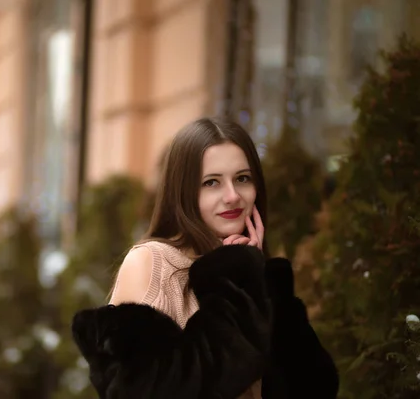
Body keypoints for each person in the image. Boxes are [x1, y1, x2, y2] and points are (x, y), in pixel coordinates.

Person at [71, 117, 339, 398]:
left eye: (242, 179)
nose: (233, 196)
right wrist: (235, 276)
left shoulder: (247, 270)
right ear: (183, 192)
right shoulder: (151, 262)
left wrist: (266, 283)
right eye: (211, 182)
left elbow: (314, 388)